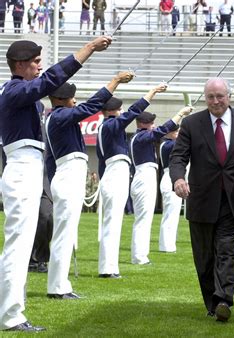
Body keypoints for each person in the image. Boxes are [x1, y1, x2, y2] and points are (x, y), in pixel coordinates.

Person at [0, 35, 112, 332]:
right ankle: (11, 315)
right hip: (22, 167)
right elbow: (50, 80)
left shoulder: (22, 95)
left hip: (29, 167)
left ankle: (13, 308)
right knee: (18, 245)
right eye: (35, 62)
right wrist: (87, 49)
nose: (39, 66)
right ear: (21, 65)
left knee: (20, 244)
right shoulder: (15, 90)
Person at [169, 77, 234, 322]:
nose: (215, 101)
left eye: (220, 96)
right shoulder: (192, 123)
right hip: (200, 199)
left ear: (229, 97)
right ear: (206, 98)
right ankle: (212, 302)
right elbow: (178, 156)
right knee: (204, 258)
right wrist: (179, 178)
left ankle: (224, 300)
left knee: (226, 250)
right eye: (210, 97)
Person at [45, 72, 133, 299]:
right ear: (63, 99)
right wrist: (113, 81)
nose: (75, 101)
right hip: (68, 175)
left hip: (66, 174)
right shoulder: (60, 115)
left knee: (66, 232)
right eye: (72, 97)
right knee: (64, 234)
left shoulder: (59, 117)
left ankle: (60, 285)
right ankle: (57, 287)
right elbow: (90, 107)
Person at [96, 84, 169, 278]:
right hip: (114, 173)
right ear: (112, 111)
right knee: (112, 223)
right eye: (119, 109)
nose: (122, 112)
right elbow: (133, 112)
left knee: (113, 222)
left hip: (114, 173)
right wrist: (150, 94)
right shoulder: (111, 125)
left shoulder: (108, 126)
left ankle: (109, 266)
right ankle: (108, 268)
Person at [129, 106, 192, 264]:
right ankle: (139, 256)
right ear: (143, 124)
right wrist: (180, 114)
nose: (153, 125)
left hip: (146, 176)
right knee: (143, 219)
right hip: (144, 176)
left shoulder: (141, 136)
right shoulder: (142, 136)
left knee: (145, 218)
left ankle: (141, 255)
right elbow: (162, 130)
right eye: (151, 123)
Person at [159, 128, 183, 253]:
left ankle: (169, 244)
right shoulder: (168, 144)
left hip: (170, 177)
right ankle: (166, 245)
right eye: (176, 132)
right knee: (170, 214)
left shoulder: (169, 143)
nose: (178, 134)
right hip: (169, 178)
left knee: (173, 214)